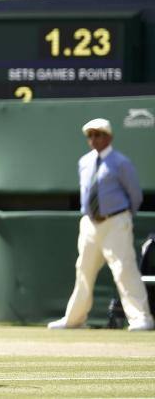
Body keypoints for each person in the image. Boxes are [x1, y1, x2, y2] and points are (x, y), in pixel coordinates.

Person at [48, 119, 154, 331]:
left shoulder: (121, 162)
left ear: (109, 137)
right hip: (89, 224)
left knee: (124, 270)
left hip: (115, 221)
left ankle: (142, 318)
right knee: (83, 270)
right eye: (90, 135)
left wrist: (123, 217)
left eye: (98, 134)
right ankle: (74, 319)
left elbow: (135, 194)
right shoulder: (84, 162)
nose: (94, 139)